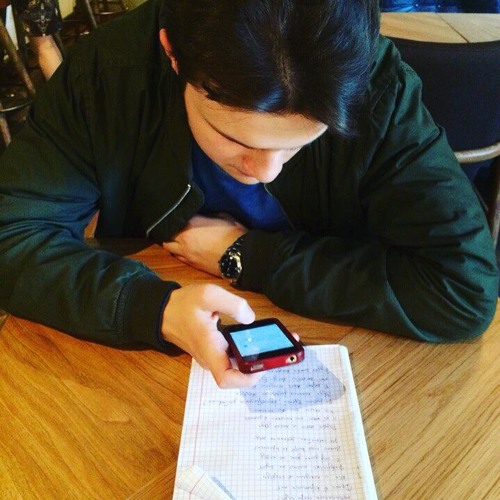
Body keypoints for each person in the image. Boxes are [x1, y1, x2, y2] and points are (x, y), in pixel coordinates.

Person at [0, 0, 497, 388]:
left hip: (362, 365)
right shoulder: (108, 73)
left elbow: (463, 287)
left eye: (301, 141)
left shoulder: (377, 86)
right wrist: (152, 309)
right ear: (173, 53)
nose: (266, 170)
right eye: (235, 138)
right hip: (136, 376)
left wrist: (247, 255)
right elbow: (13, 232)